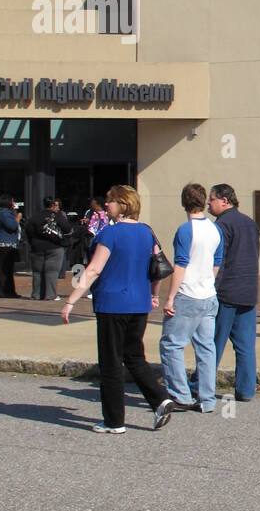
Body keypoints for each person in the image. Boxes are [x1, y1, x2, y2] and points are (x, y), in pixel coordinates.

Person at [60, 186, 175, 434]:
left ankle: (114, 421)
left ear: (122, 204)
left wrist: (71, 300)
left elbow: (93, 269)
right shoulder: (147, 232)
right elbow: (159, 268)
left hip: (113, 303)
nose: (106, 204)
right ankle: (159, 398)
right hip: (139, 303)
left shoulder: (110, 234)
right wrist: (154, 295)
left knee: (111, 362)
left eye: (110, 201)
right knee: (134, 356)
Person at [159, 183, 224, 414]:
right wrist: (206, 281)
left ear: (184, 202)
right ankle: (207, 399)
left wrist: (170, 297)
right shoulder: (215, 230)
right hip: (208, 294)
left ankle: (181, 395)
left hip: (188, 294)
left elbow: (180, 265)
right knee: (206, 348)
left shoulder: (185, 230)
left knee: (171, 344)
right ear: (204, 201)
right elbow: (217, 263)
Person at [209, 183, 260, 401]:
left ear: (224, 200)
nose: (208, 204)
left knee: (213, 342)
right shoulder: (250, 223)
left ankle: (201, 384)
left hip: (227, 291)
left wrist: (212, 287)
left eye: (211, 200)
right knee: (245, 344)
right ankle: (246, 389)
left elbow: (218, 260)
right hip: (248, 290)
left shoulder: (221, 225)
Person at [24, 196, 72, 301]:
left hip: (37, 247)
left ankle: (36, 294)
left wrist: (33, 242)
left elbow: (28, 230)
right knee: (52, 272)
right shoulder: (57, 216)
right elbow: (67, 228)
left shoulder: (35, 217)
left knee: (37, 272)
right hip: (54, 247)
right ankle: (50, 295)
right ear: (54, 205)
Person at [0, 194, 22, 298]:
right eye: (12, 201)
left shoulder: (2, 213)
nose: (14, 204)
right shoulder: (4, 214)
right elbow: (12, 226)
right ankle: (5, 291)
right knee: (5, 268)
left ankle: (8, 291)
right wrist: (17, 219)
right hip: (5, 243)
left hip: (5, 243)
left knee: (7, 268)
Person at [82, 197, 109, 265]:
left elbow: (91, 230)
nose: (91, 205)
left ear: (98, 205)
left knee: (93, 260)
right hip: (105, 240)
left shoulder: (95, 215)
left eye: (93, 203)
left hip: (95, 240)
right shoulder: (107, 215)